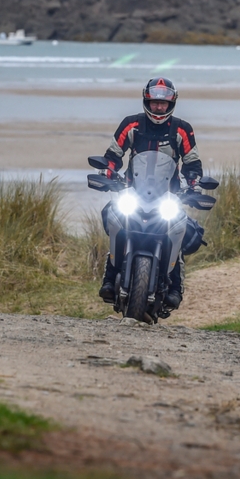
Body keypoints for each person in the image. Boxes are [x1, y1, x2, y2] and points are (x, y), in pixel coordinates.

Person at [98, 77, 203, 309]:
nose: (158, 107)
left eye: (163, 104)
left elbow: (192, 163)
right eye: (154, 102)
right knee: (113, 218)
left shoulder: (182, 129)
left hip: (168, 196)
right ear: (147, 100)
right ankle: (109, 277)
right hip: (134, 192)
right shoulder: (131, 124)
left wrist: (194, 185)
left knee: (180, 228)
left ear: (171, 104)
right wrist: (107, 173)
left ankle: (175, 287)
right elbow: (113, 155)